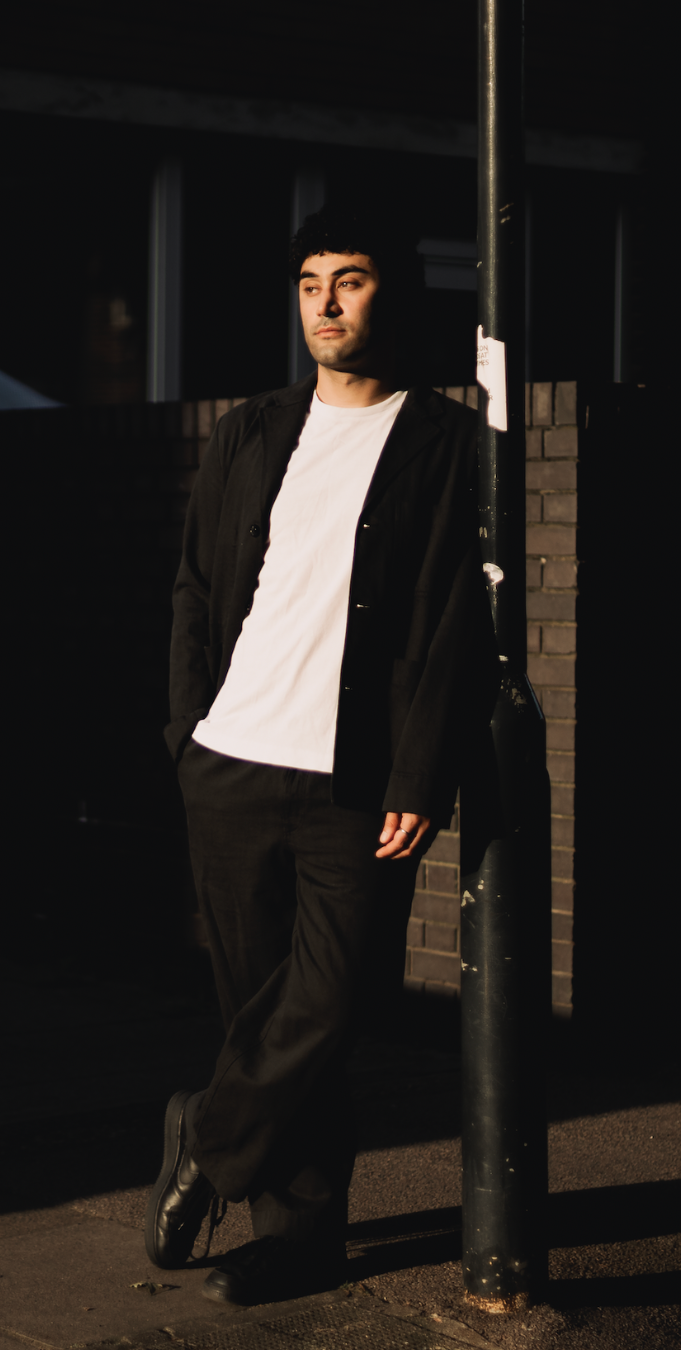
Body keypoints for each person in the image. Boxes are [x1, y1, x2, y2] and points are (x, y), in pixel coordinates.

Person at [144, 203, 495, 1306]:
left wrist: (420, 772)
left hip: (353, 778)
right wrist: (190, 728)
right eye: (309, 283)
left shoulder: (441, 442)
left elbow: (450, 625)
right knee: (259, 1005)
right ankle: (296, 1237)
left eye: (349, 280)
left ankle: (206, 1130)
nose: (326, 304)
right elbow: (200, 585)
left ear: (393, 293)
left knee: (332, 1001)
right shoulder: (252, 429)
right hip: (234, 760)